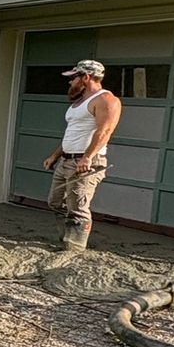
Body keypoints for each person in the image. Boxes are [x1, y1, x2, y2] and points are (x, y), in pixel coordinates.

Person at [42, 59, 122, 253]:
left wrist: (87, 157)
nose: (70, 82)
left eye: (74, 78)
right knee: (55, 201)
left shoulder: (106, 100)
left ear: (86, 77)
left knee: (78, 207)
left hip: (85, 162)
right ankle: (65, 239)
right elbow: (72, 134)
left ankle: (74, 247)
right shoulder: (80, 102)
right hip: (66, 160)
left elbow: (104, 131)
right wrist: (54, 156)